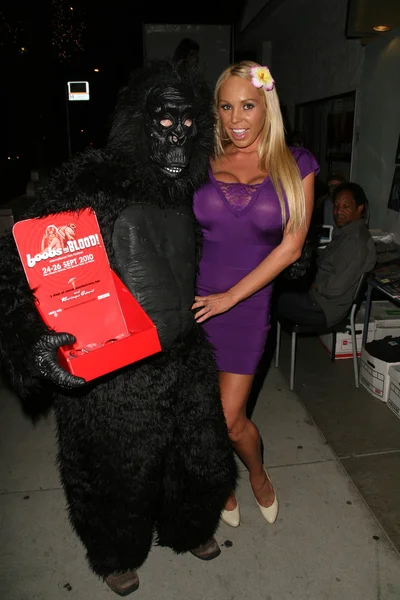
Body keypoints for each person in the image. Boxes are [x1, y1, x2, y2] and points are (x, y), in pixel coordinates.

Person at [0, 61, 237, 596]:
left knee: (200, 458)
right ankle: (115, 553)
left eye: (187, 126)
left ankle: (189, 527)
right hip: (116, 366)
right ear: (138, 124)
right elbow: (17, 269)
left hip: (184, 351)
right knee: (116, 475)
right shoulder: (91, 182)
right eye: (163, 124)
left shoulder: (192, 189)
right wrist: (30, 344)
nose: (176, 141)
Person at [192, 61, 318, 527]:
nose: (236, 118)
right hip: (195, 303)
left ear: (267, 106)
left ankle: (258, 474)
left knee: (229, 420)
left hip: (247, 306)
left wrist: (230, 298)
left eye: (247, 105)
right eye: (226, 106)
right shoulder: (201, 159)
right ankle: (220, 482)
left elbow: (292, 246)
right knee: (199, 416)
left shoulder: (296, 163)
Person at [277, 182, 377, 327]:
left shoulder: (356, 242)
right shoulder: (346, 233)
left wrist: (311, 283)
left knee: (269, 298)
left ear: (359, 208)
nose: (338, 212)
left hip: (324, 308)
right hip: (318, 297)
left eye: (346, 207)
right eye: (336, 206)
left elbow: (334, 288)